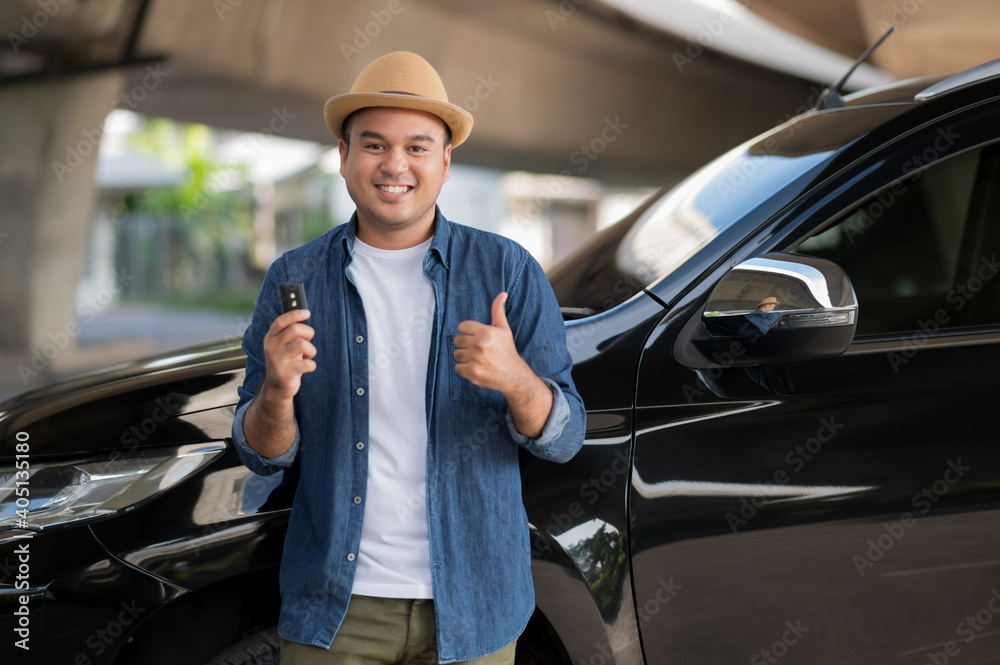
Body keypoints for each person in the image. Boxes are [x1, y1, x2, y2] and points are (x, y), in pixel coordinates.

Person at [231, 51, 586, 665]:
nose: (394, 164)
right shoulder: (296, 277)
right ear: (344, 157)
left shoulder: (507, 270)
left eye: (417, 147)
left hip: (474, 605)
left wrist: (516, 381)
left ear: (444, 163)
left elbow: (566, 437)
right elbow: (261, 453)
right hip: (335, 607)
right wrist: (277, 394)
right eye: (374, 145)